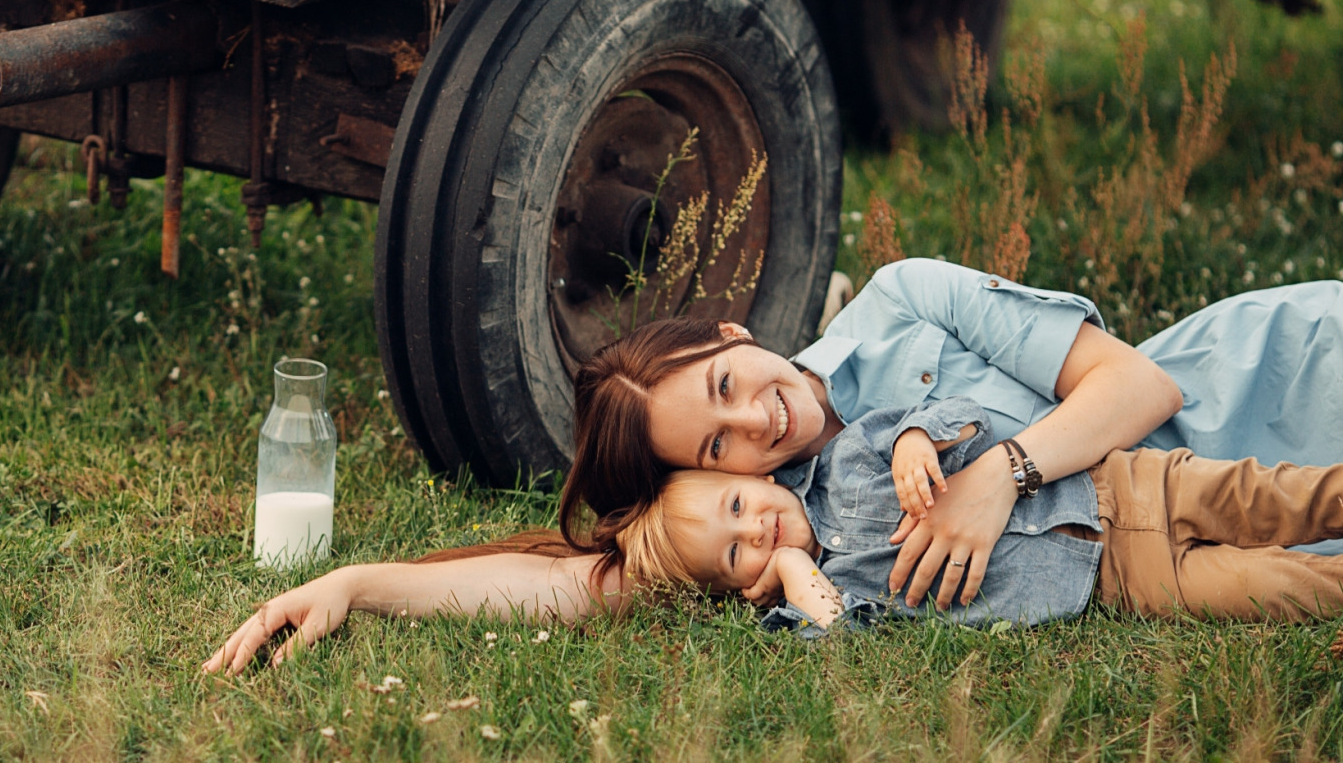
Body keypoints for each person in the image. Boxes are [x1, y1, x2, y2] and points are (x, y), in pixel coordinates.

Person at [204, 259, 1343, 671]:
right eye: (714, 448)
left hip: (1267, 392)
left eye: (723, 387)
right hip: (1146, 566)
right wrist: (357, 583)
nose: (755, 425)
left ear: (727, 335)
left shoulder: (902, 304)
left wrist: (1001, 473)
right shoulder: (777, 517)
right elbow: (575, 579)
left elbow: (1144, 391)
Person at [614, 396, 1343, 635]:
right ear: (745, 586)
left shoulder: (846, 462)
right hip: (1121, 581)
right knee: (1280, 588)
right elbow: (832, 634)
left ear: (749, 475)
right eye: (737, 551)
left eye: (737, 505)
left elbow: (953, 413)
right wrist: (795, 569)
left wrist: (912, 441)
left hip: (1123, 484)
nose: (755, 529)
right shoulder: (850, 588)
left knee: (1285, 496)